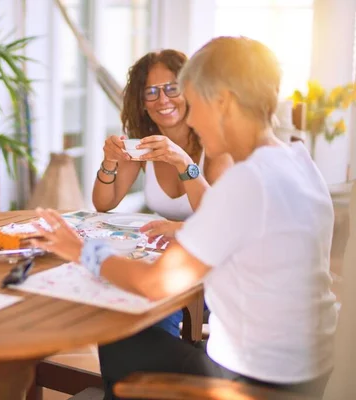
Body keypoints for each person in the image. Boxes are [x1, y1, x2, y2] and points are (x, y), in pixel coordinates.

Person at [32, 36, 337, 399]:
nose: (188, 117)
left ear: (222, 102)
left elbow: (155, 284)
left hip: (252, 379)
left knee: (118, 340)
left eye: (191, 103)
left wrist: (79, 249)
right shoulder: (298, 161)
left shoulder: (245, 182)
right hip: (311, 369)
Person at [93, 50, 233, 336]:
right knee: (112, 299)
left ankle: (163, 369)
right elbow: (103, 203)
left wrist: (182, 161)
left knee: (143, 311)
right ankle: (132, 373)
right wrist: (109, 161)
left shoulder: (217, 145)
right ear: (142, 103)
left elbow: (219, 222)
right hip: (166, 261)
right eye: (151, 92)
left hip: (212, 270)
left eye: (172, 88)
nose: (163, 100)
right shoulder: (144, 144)